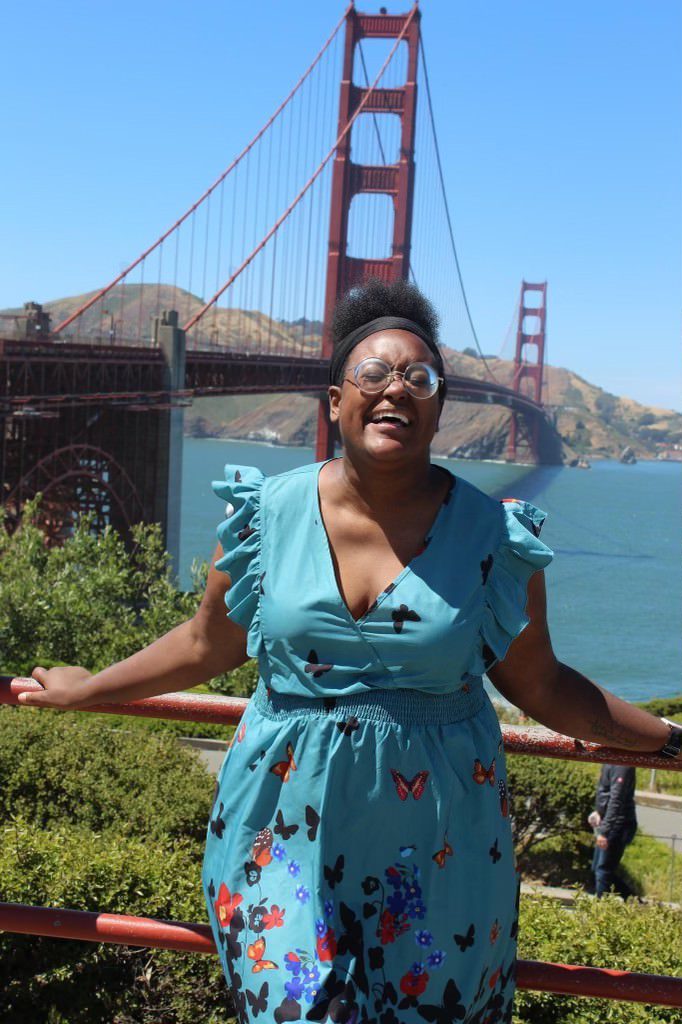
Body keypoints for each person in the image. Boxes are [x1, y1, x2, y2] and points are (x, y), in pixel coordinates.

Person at [18, 278, 682, 1023]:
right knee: (298, 1010)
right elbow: (210, 641)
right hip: (283, 828)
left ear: (438, 405)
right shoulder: (266, 515)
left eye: (418, 377)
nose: (395, 388)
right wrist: (90, 686)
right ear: (335, 400)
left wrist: (669, 740)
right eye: (373, 373)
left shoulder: (494, 538)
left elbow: (545, 685)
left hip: (441, 844)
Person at [588, 764, 637, 897]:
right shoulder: (611, 760)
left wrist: (604, 832)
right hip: (609, 822)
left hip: (618, 824)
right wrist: (599, 812)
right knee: (599, 869)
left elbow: (617, 799)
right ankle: (632, 900)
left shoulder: (622, 765)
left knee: (602, 870)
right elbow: (606, 793)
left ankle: (600, 910)